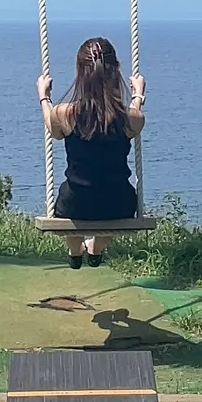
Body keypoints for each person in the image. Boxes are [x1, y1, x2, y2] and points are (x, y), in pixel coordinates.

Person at [37, 36, 146, 266]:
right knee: (114, 208)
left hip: (77, 202)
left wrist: (44, 96)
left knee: (72, 210)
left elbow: (53, 128)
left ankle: (76, 251)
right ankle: (95, 248)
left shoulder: (65, 114)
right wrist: (137, 96)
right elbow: (134, 120)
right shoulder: (131, 119)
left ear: (80, 73)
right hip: (119, 204)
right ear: (115, 71)